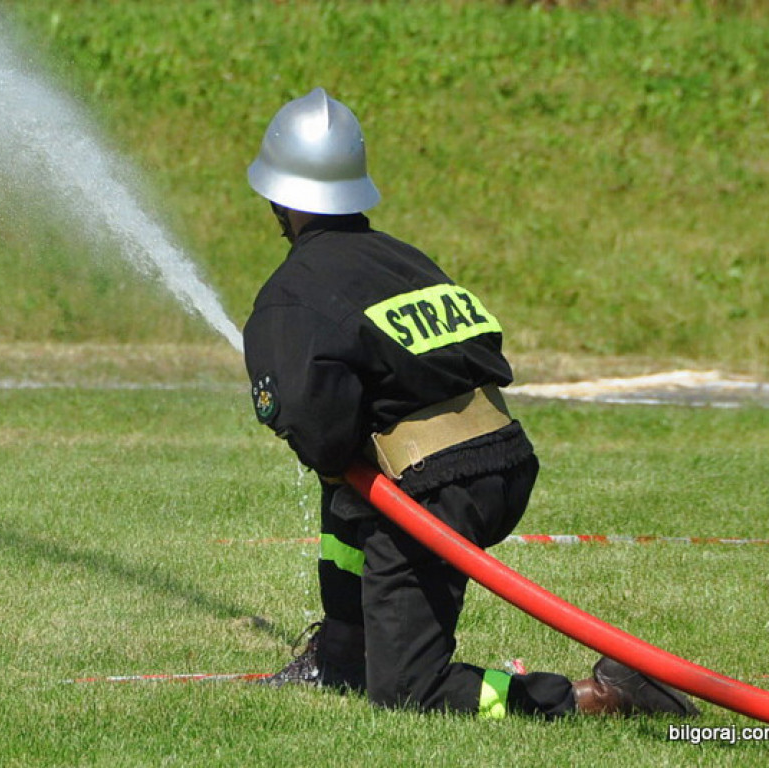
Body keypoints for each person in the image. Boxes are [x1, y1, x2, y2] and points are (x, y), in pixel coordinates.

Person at [242, 87, 699, 719]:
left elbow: (319, 436)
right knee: (348, 491)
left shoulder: (291, 294)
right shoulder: (404, 259)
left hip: (437, 493)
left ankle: (597, 698)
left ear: (278, 197)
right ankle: (341, 653)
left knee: (407, 689)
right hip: (505, 465)